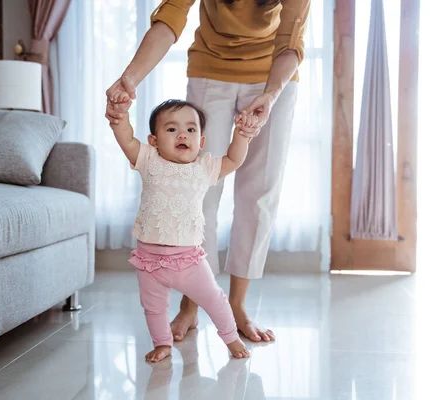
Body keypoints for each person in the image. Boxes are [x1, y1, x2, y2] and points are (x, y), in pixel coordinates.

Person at [106, 0, 310, 344]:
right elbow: (170, 17)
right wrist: (130, 78)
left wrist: (271, 96)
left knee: (259, 193)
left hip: (274, 75)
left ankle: (238, 305)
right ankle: (191, 304)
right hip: (210, 69)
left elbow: (290, 41)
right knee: (198, 191)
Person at [105, 98, 258, 362]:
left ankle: (231, 337)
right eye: (171, 129)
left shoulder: (204, 166)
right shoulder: (148, 159)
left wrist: (241, 136)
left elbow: (234, 159)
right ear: (154, 141)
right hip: (149, 260)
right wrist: (120, 117)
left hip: (188, 260)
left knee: (215, 299)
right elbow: (127, 139)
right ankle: (162, 344)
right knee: (153, 308)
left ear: (200, 142)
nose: (182, 135)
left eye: (190, 129)